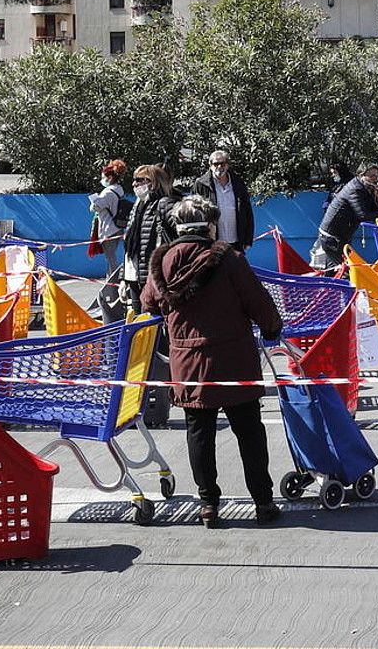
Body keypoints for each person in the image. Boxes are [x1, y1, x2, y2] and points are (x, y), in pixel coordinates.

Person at [140, 195, 284, 528]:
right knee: (249, 431)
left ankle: (208, 505)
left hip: (188, 363)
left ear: (177, 226)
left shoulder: (160, 262)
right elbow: (256, 300)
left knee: (199, 434)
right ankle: (263, 502)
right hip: (234, 361)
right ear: (209, 225)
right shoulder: (229, 259)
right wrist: (272, 327)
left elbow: (148, 301)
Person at [311, 162, 378, 270]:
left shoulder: (364, 187)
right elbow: (363, 215)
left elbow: (373, 211)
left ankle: (330, 285)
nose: (376, 179)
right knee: (346, 271)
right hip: (332, 238)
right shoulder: (355, 190)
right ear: (362, 175)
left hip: (341, 236)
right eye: (372, 176)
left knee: (339, 270)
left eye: (376, 175)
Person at [122, 164, 178, 313]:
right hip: (134, 275)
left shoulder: (164, 203)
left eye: (139, 180)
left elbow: (183, 229)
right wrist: (123, 278)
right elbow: (129, 244)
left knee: (154, 323)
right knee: (139, 322)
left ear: (152, 182)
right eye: (134, 180)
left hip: (154, 277)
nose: (134, 184)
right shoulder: (138, 205)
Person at [191, 150, 255, 254]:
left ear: (227, 165)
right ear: (210, 165)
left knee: (236, 270)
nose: (219, 167)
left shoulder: (238, 183)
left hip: (236, 242)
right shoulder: (201, 184)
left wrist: (247, 239)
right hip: (212, 243)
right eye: (216, 164)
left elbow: (247, 211)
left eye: (222, 163)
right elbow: (194, 212)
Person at [88, 160, 129, 277]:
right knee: (112, 257)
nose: (102, 180)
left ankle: (113, 281)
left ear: (110, 177)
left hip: (108, 228)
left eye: (103, 177)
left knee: (110, 258)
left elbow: (95, 207)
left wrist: (93, 202)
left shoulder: (107, 192)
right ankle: (112, 279)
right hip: (118, 227)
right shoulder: (119, 189)